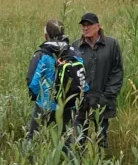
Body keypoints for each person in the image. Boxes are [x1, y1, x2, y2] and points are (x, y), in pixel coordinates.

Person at [24, 19, 85, 150]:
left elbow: (33, 83)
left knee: (32, 138)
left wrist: (36, 97)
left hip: (45, 104)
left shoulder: (42, 54)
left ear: (46, 36)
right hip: (67, 104)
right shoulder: (74, 53)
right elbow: (82, 79)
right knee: (67, 139)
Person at [75, 12, 124, 149]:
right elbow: (71, 74)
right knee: (78, 141)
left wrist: (107, 95)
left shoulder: (111, 45)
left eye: (89, 25)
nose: (85, 28)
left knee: (101, 140)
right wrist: (76, 96)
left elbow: (117, 72)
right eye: (83, 25)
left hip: (102, 101)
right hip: (81, 103)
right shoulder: (75, 47)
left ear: (98, 26)